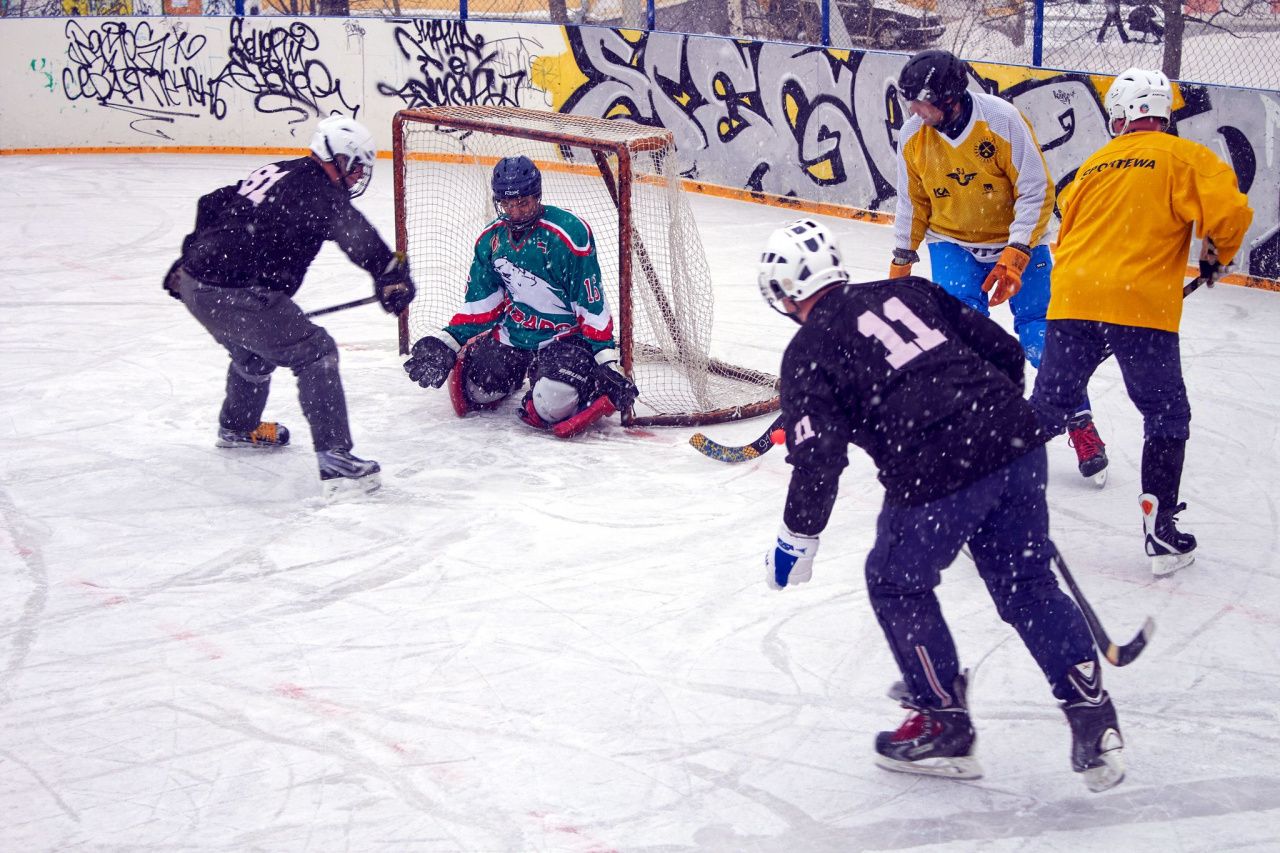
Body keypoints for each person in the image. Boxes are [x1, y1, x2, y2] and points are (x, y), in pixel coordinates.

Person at [760, 218, 1125, 792]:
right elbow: (1004, 350)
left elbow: (819, 462)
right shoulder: (906, 290)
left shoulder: (807, 352)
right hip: (1015, 442)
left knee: (895, 580)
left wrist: (795, 540)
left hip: (936, 468)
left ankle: (941, 719)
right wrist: (987, 414)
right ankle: (1092, 716)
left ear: (783, 294)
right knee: (1028, 584)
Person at [1028, 68, 1253, 576]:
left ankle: (980, 499)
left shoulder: (1093, 165)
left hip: (1073, 300)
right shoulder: (1184, 156)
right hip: (1140, 305)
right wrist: (1217, 255)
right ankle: (1161, 531)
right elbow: (1231, 213)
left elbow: (1071, 225)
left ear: (1123, 115)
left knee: (1047, 407)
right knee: (1166, 416)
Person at [164, 115, 415, 498]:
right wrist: (389, 273)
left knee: (255, 354)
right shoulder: (317, 192)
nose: (360, 173)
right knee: (317, 353)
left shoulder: (282, 170)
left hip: (197, 287)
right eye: (358, 164)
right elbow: (355, 232)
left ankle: (238, 426)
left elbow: (212, 201)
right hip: (236, 292)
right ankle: (336, 460)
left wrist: (191, 257)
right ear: (340, 158)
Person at [890, 49, 1109, 485]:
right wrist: (901, 258)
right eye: (910, 102)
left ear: (951, 98)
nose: (914, 111)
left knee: (1039, 332)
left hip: (1016, 242)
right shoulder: (914, 136)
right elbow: (911, 203)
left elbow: (1036, 191)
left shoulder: (1002, 120)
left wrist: (1017, 251)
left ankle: (1078, 418)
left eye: (922, 102)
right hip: (953, 243)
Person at [402, 156, 638, 433]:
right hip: (516, 333)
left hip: (564, 338)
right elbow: (482, 306)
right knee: (477, 391)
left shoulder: (568, 234)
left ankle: (582, 382)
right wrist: (448, 341)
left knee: (552, 405)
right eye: (507, 204)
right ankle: (521, 371)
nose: (514, 212)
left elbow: (591, 305)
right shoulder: (491, 240)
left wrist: (606, 362)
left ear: (537, 197)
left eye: (522, 203)